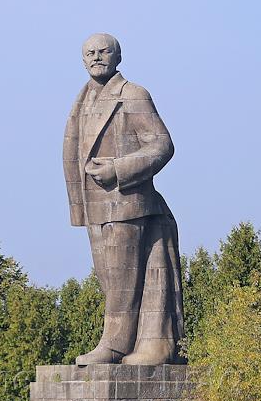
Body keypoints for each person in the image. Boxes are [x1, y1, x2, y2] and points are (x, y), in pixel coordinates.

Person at [63, 33, 184, 366]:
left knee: (121, 282)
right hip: (95, 207)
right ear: (82, 59)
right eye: (90, 52)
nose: (96, 57)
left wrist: (117, 169)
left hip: (128, 203)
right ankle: (128, 342)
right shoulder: (81, 100)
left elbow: (162, 145)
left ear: (117, 57)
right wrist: (79, 207)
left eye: (104, 51)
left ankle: (114, 345)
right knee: (110, 280)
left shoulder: (133, 95)